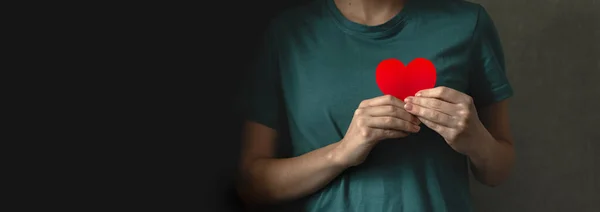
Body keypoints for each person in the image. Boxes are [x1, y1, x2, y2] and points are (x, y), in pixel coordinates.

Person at [237, 0, 515, 211]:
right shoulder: (289, 34)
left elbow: (498, 171)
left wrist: (475, 139)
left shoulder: (468, 24)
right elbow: (252, 184)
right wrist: (342, 153)